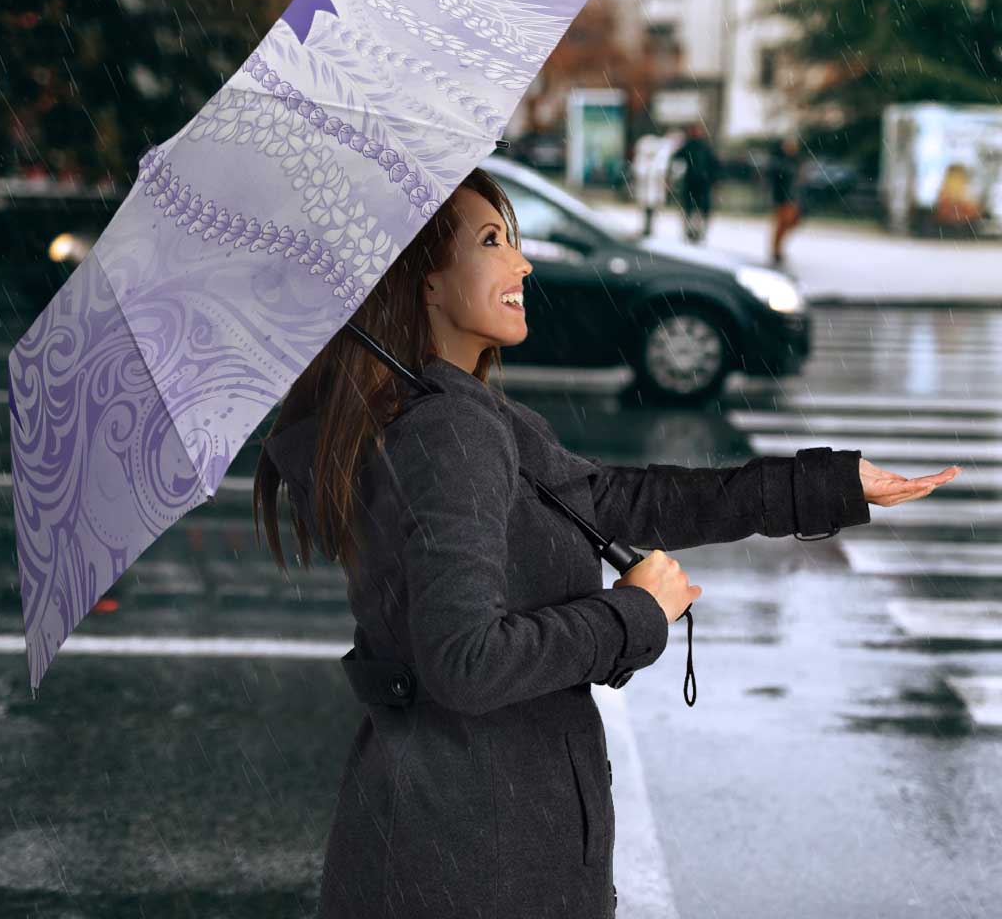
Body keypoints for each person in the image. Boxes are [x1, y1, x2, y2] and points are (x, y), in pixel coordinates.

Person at [253, 167, 954, 919]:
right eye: (492, 241)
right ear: (423, 281)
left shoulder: (454, 412)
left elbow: (617, 500)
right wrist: (634, 614)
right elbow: (465, 663)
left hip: (461, 836)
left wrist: (827, 485)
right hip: (477, 858)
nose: (522, 263)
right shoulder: (447, 432)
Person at [670, 121, 720, 244]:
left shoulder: (703, 147)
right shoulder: (690, 146)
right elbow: (676, 159)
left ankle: (697, 232)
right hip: (693, 183)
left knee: (698, 210)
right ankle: (691, 232)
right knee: (691, 209)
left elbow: (714, 165)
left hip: (701, 183)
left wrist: (713, 179)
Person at [768, 134, 804, 265]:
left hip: (792, 198)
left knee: (790, 223)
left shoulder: (795, 161)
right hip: (783, 198)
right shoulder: (780, 162)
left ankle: (777, 249)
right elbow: (777, 181)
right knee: (782, 224)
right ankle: (776, 250)